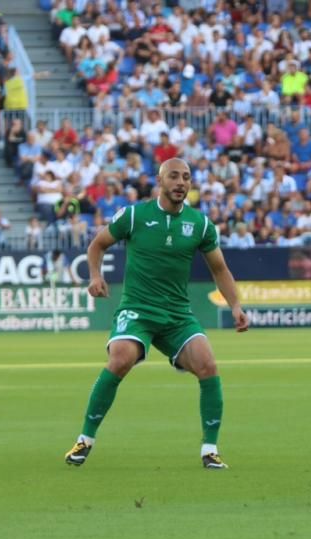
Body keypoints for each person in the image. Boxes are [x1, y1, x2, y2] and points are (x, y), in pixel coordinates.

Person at [65, 158, 249, 470]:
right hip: (138, 309)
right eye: (174, 176)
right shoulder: (135, 215)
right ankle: (85, 439)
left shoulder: (200, 224)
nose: (181, 182)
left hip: (177, 314)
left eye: (186, 177)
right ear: (160, 181)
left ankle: (210, 450)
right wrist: (95, 276)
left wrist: (235, 305)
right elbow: (97, 245)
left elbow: (220, 268)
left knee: (208, 365)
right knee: (121, 359)